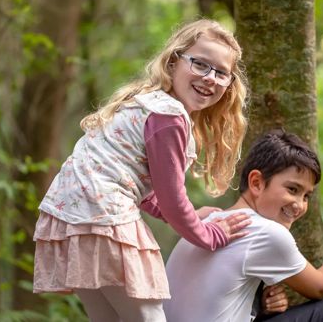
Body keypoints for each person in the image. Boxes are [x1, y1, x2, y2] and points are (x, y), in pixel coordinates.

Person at [32, 19, 253, 322]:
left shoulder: (147, 103)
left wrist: (190, 213)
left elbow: (145, 190)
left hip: (70, 215)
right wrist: (208, 235)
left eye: (221, 72)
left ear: (230, 84)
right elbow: (172, 197)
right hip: (103, 214)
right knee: (148, 317)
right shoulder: (168, 115)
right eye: (200, 64)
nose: (210, 78)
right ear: (174, 62)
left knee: (107, 318)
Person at [164, 130, 323, 322]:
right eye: (292, 189)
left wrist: (259, 309)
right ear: (256, 183)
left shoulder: (209, 220)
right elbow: (320, 286)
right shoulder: (266, 232)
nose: (299, 205)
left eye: (306, 196)